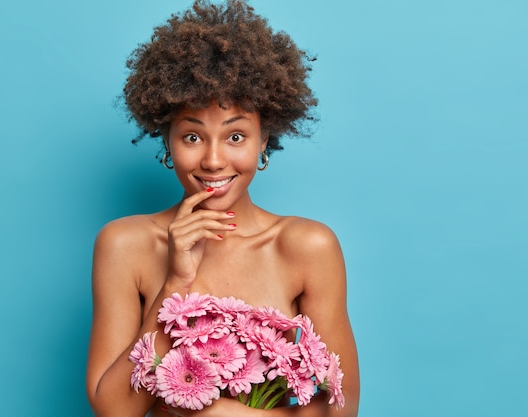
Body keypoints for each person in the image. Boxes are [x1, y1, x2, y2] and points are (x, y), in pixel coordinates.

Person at [86, 1, 360, 416]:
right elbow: (113, 410)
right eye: (192, 137)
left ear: (264, 139)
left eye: (235, 137)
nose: (213, 161)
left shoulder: (307, 247)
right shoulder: (125, 245)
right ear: (166, 140)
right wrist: (175, 284)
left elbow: (341, 407)